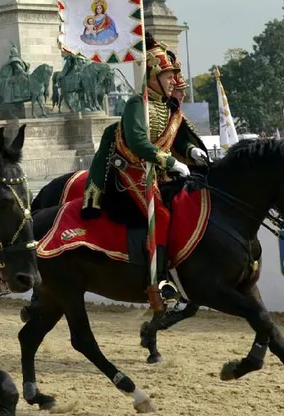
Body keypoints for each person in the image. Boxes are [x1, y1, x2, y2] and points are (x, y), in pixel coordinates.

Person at [82, 34, 208, 310]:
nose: (173, 82)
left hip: (159, 173)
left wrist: (189, 152)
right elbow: (139, 142)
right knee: (160, 214)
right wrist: (170, 161)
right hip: (132, 173)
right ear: (153, 75)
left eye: (174, 77)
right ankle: (159, 282)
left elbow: (175, 139)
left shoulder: (167, 107)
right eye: (168, 76)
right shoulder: (137, 105)